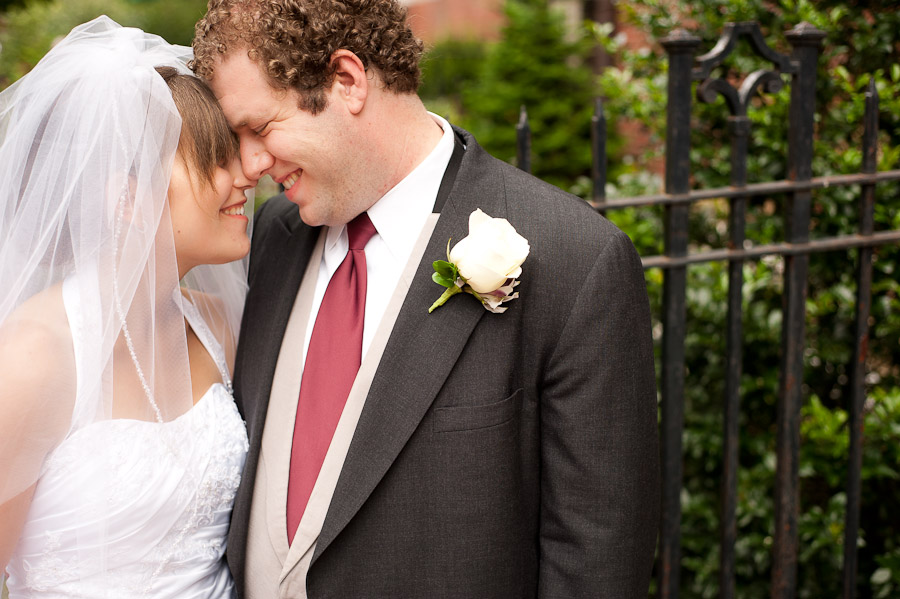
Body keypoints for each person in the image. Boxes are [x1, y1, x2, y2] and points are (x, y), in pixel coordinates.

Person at [192, 0, 660, 596]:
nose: (249, 163)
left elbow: (597, 561)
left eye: (258, 128)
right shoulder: (273, 239)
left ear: (346, 81)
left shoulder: (575, 261)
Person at [0, 16, 254, 597]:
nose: (244, 176)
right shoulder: (32, 357)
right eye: (216, 158)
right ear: (126, 196)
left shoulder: (217, 325)